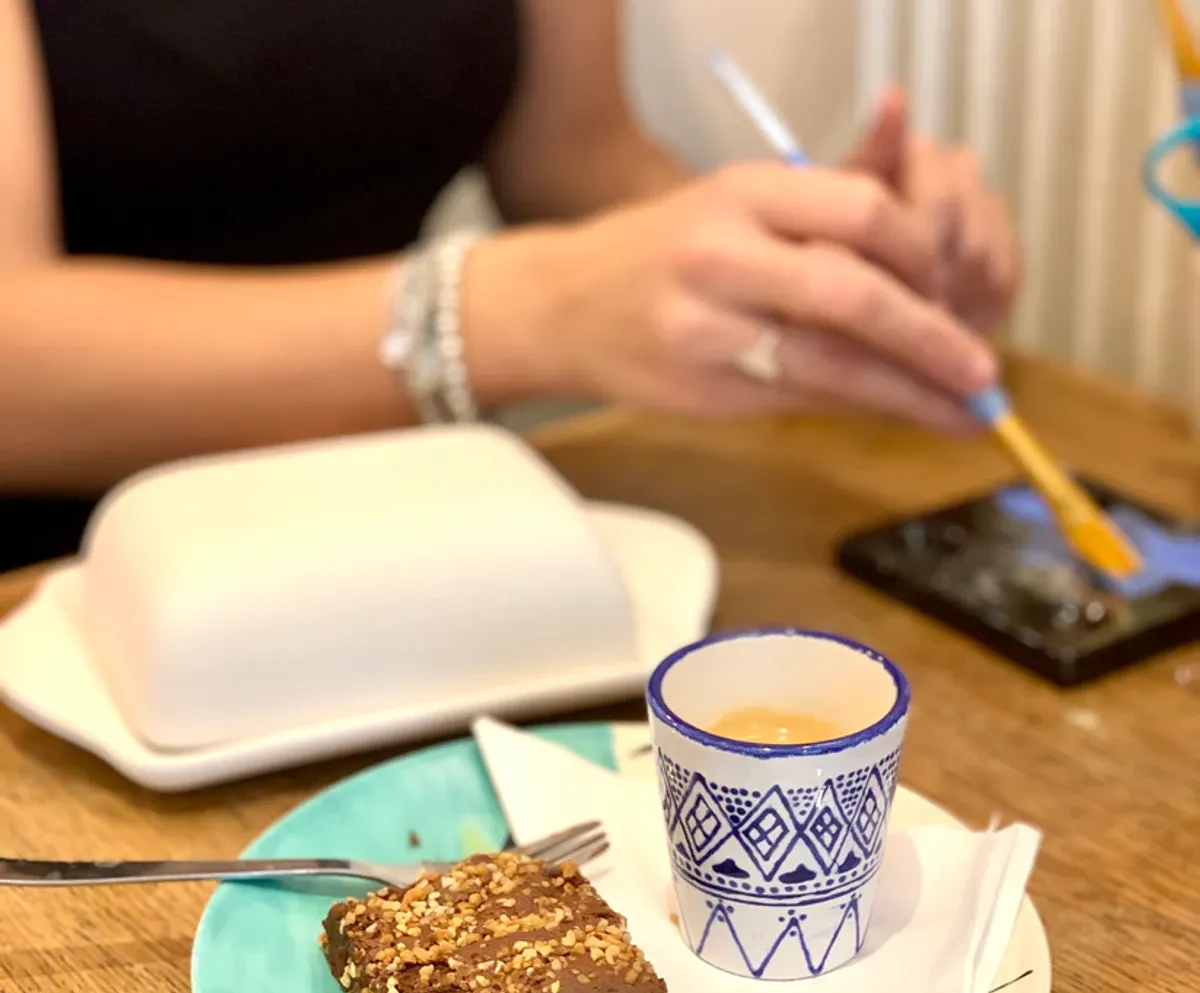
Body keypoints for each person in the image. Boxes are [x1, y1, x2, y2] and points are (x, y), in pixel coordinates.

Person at [0, 0, 1020, 571]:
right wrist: (510, 309)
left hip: (403, 544)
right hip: (54, 591)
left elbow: (573, 155)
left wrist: (805, 259)